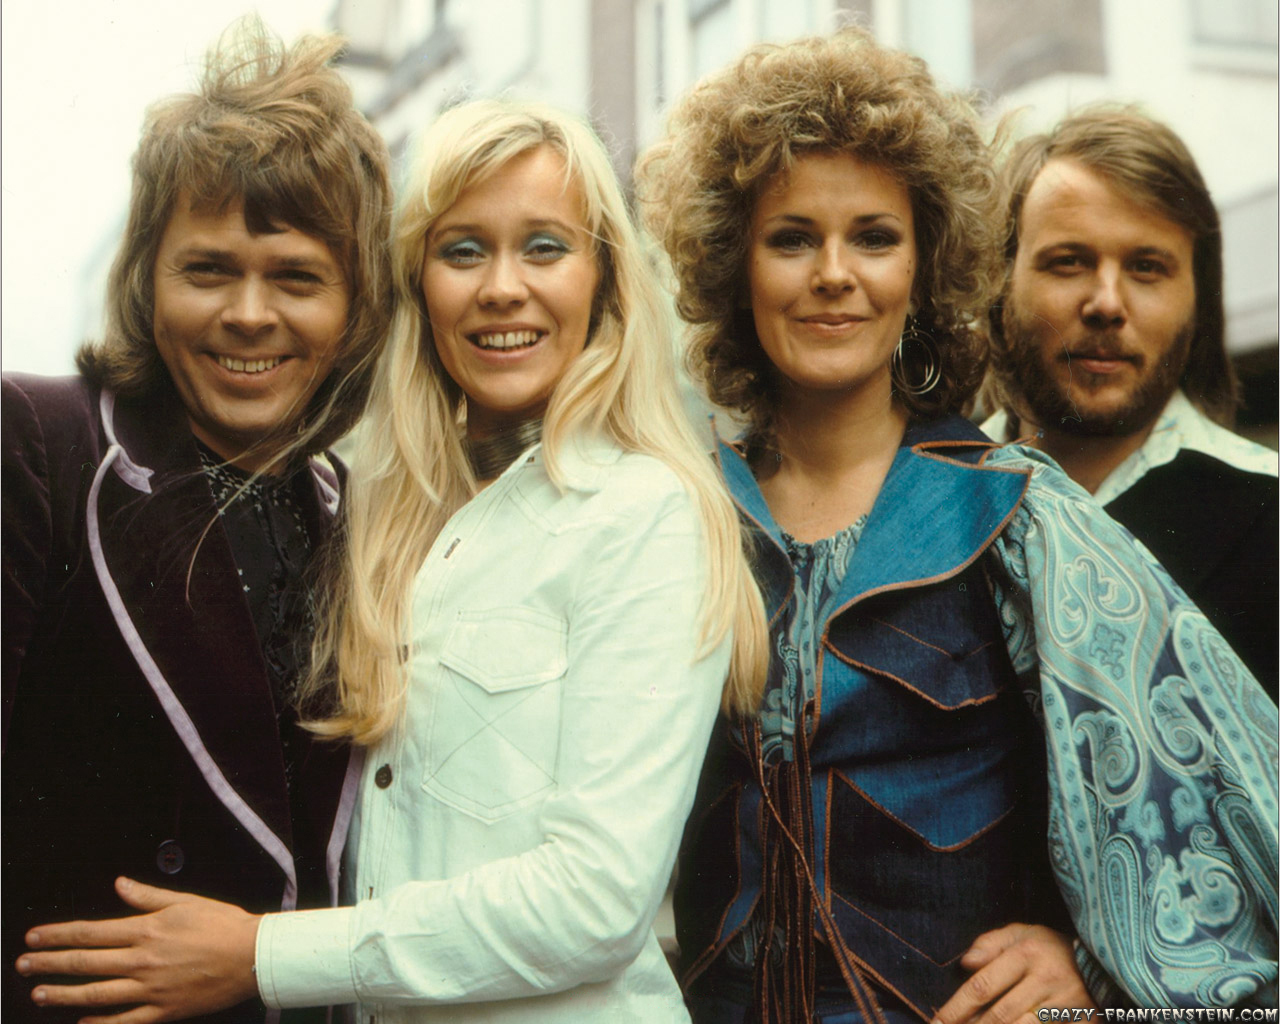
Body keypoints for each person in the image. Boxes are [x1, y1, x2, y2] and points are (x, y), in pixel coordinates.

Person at [16, 98, 769, 1023]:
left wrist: (262, 954)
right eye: (463, 250)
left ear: (606, 283)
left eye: (544, 248)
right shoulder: (374, 517)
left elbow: (596, 902)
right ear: (414, 286)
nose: (502, 288)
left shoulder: (643, 513)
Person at [637, 27, 1279, 1023]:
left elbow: (1219, 844)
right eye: (791, 238)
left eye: (874, 237)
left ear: (925, 265)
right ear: (734, 265)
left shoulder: (1020, 514)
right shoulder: (674, 514)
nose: (834, 273)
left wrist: (1092, 966)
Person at [2, 19, 393, 1024]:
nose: (249, 313)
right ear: (147, 276)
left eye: (296, 277)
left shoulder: (362, 518)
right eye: (208, 269)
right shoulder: (36, 443)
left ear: (355, 307)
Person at [979, 107, 1278, 700]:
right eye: (1069, 261)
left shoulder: (1270, 512)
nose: (1107, 304)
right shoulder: (923, 499)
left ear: (1198, 300)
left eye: (1147, 268)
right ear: (1000, 281)